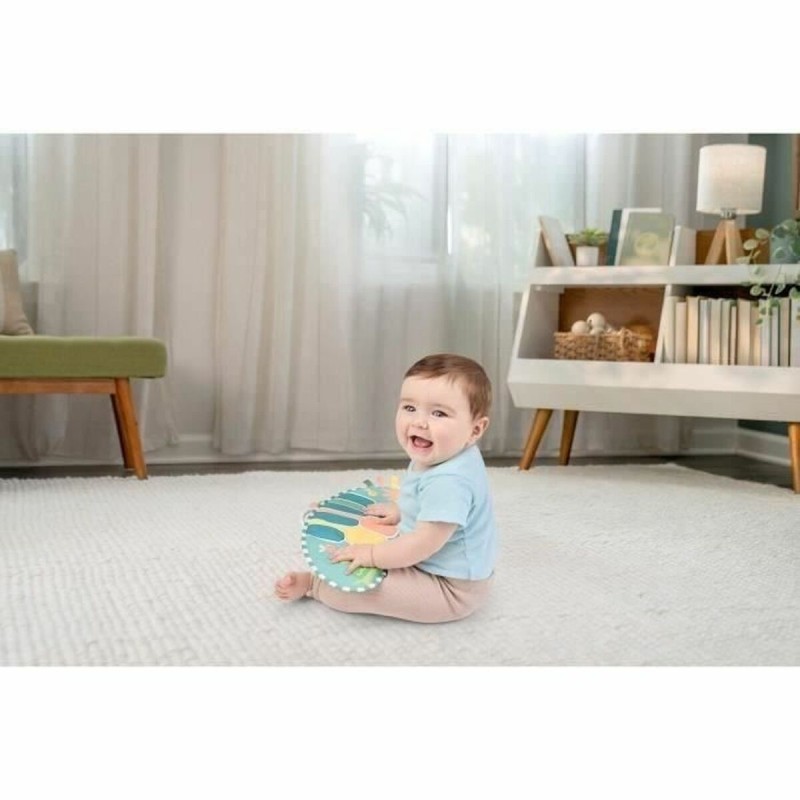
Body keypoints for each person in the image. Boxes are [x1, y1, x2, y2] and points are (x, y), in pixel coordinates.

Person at [274, 353, 497, 623]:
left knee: (354, 589)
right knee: (372, 536)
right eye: (410, 408)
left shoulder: (451, 481)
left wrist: (371, 555)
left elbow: (423, 544)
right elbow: (429, 502)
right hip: (430, 565)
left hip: (449, 589)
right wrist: (403, 511)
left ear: (475, 430)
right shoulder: (447, 452)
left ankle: (315, 585)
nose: (419, 422)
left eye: (438, 413)